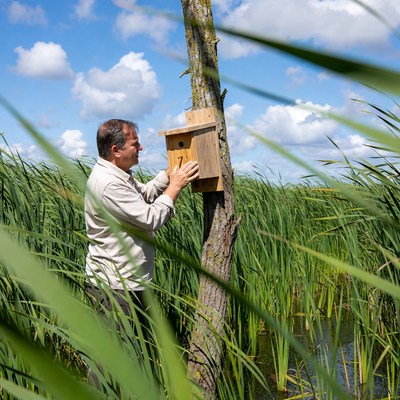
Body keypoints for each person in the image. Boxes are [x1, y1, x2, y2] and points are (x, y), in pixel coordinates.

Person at [84, 118, 199, 324]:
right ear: (115, 150)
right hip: (116, 287)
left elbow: (144, 195)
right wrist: (175, 187)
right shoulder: (109, 183)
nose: (141, 147)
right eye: (135, 144)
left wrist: (170, 172)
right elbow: (150, 218)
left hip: (126, 282)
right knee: (121, 352)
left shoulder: (117, 174)